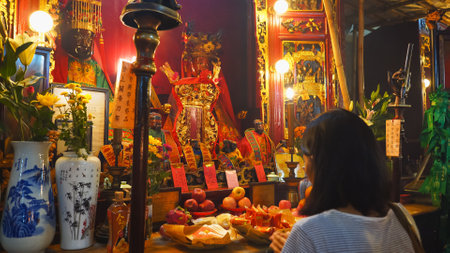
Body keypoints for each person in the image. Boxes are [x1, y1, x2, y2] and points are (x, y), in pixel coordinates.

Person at [270, 109, 421, 253]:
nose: (305, 168)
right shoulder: (400, 216)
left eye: (306, 160)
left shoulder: (308, 233)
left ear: (319, 164)